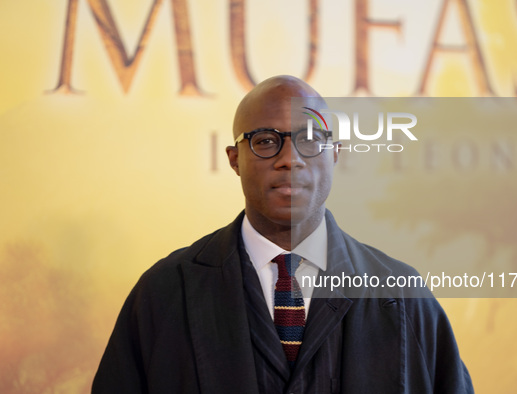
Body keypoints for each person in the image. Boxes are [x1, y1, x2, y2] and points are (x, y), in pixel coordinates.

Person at [92, 75, 473, 393]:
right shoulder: (163, 294)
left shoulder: (404, 296)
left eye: (310, 139)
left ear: (335, 153)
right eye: (265, 140)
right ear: (234, 159)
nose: (289, 158)